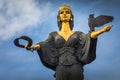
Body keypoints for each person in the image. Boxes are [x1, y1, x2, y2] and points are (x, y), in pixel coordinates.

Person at [25, 5, 112, 80]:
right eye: (62, 12)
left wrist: (102, 30)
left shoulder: (78, 34)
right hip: (60, 66)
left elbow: (89, 36)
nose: (65, 14)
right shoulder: (54, 35)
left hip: (76, 65)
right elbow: (43, 44)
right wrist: (32, 47)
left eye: (67, 12)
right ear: (59, 17)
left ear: (71, 16)